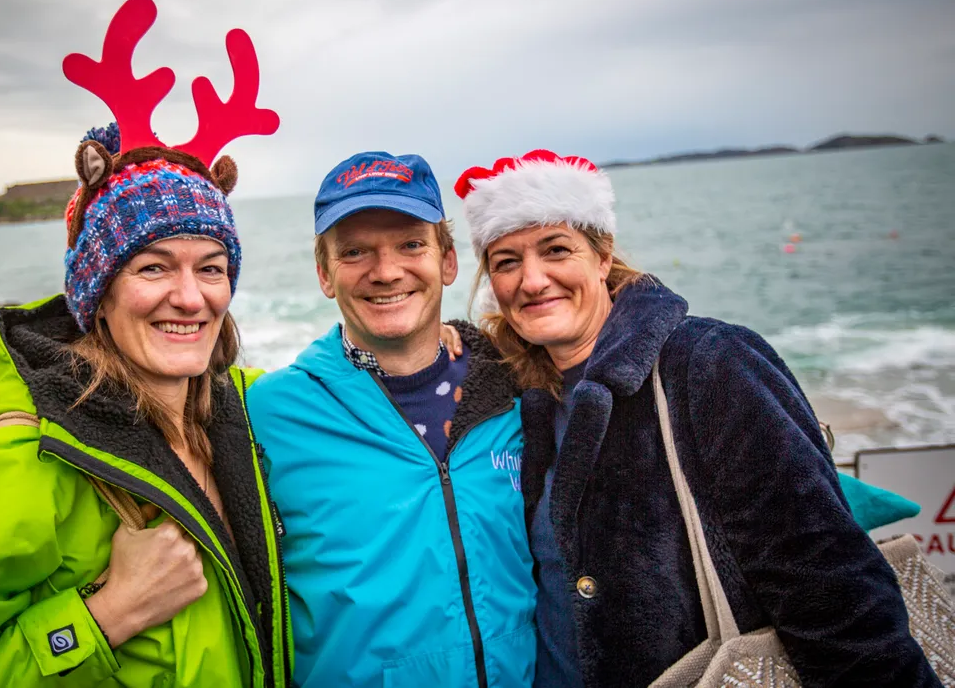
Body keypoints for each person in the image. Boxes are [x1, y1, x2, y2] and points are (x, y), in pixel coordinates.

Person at [0, 0, 291, 688]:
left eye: (212, 267)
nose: (190, 296)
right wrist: (103, 617)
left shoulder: (246, 414)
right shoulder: (30, 461)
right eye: (152, 267)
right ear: (97, 294)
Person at [452, 149, 941, 687]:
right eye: (506, 262)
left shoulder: (708, 362)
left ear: (601, 254)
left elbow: (826, 579)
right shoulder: (516, 395)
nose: (533, 279)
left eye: (556, 249)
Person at [246, 151, 536, 688]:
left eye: (410, 244)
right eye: (354, 251)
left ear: (448, 261)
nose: (385, 271)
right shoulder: (269, 413)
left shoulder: (518, 383)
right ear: (324, 274)